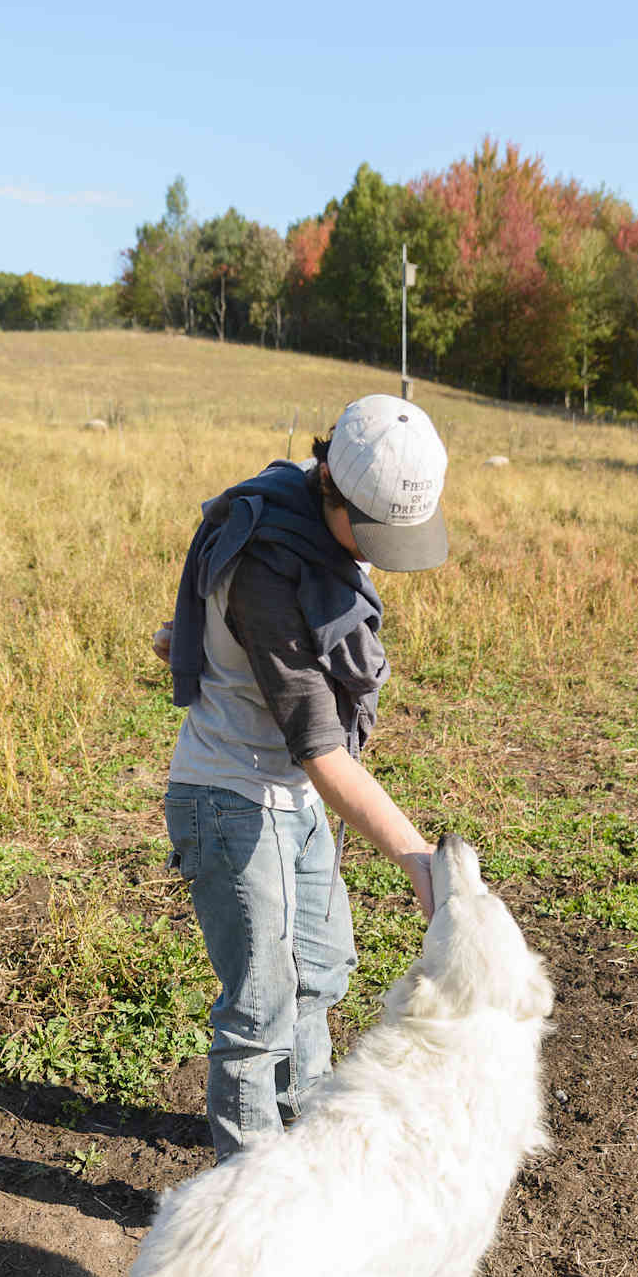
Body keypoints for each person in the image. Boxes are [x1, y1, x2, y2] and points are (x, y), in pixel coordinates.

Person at [153, 393, 449, 1160]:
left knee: (320, 974)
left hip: (291, 792)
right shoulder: (268, 562)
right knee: (260, 1007)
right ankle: (251, 1188)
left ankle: (309, 1148)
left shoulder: (311, 534)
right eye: (375, 531)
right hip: (234, 797)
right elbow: (321, 748)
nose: (379, 554)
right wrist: (417, 856)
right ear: (331, 483)